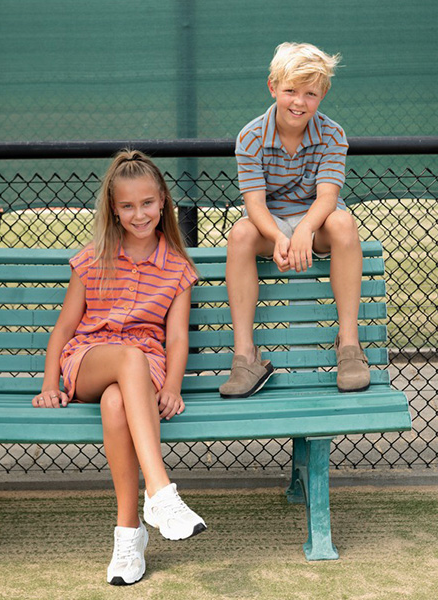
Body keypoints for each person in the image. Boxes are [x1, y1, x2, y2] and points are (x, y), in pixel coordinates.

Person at [32, 149, 206, 586]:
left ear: (162, 201)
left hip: (145, 367)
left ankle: (129, 535)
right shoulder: (93, 257)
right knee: (126, 359)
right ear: (113, 208)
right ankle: (160, 491)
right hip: (90, 358)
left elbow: (176, 338)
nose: (139, 214)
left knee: (116, 402)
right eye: (127, 206)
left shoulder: (177, 268)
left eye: (147, 203)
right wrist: (50, 382)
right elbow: (64, 328)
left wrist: (172, 386)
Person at [219, 42, 370, 399]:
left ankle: (349, 345)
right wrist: (278, 236)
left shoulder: (332, 134)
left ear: (323, 95)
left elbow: (328, 198)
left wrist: (305, 228)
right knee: (239, 234)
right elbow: (254, 204)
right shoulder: (250, 137)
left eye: (310, 94)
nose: (299, 102)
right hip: (269, 225)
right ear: (272, 87)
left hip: (315, 224)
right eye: (290, 91)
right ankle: (245, 356)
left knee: (345, 224)